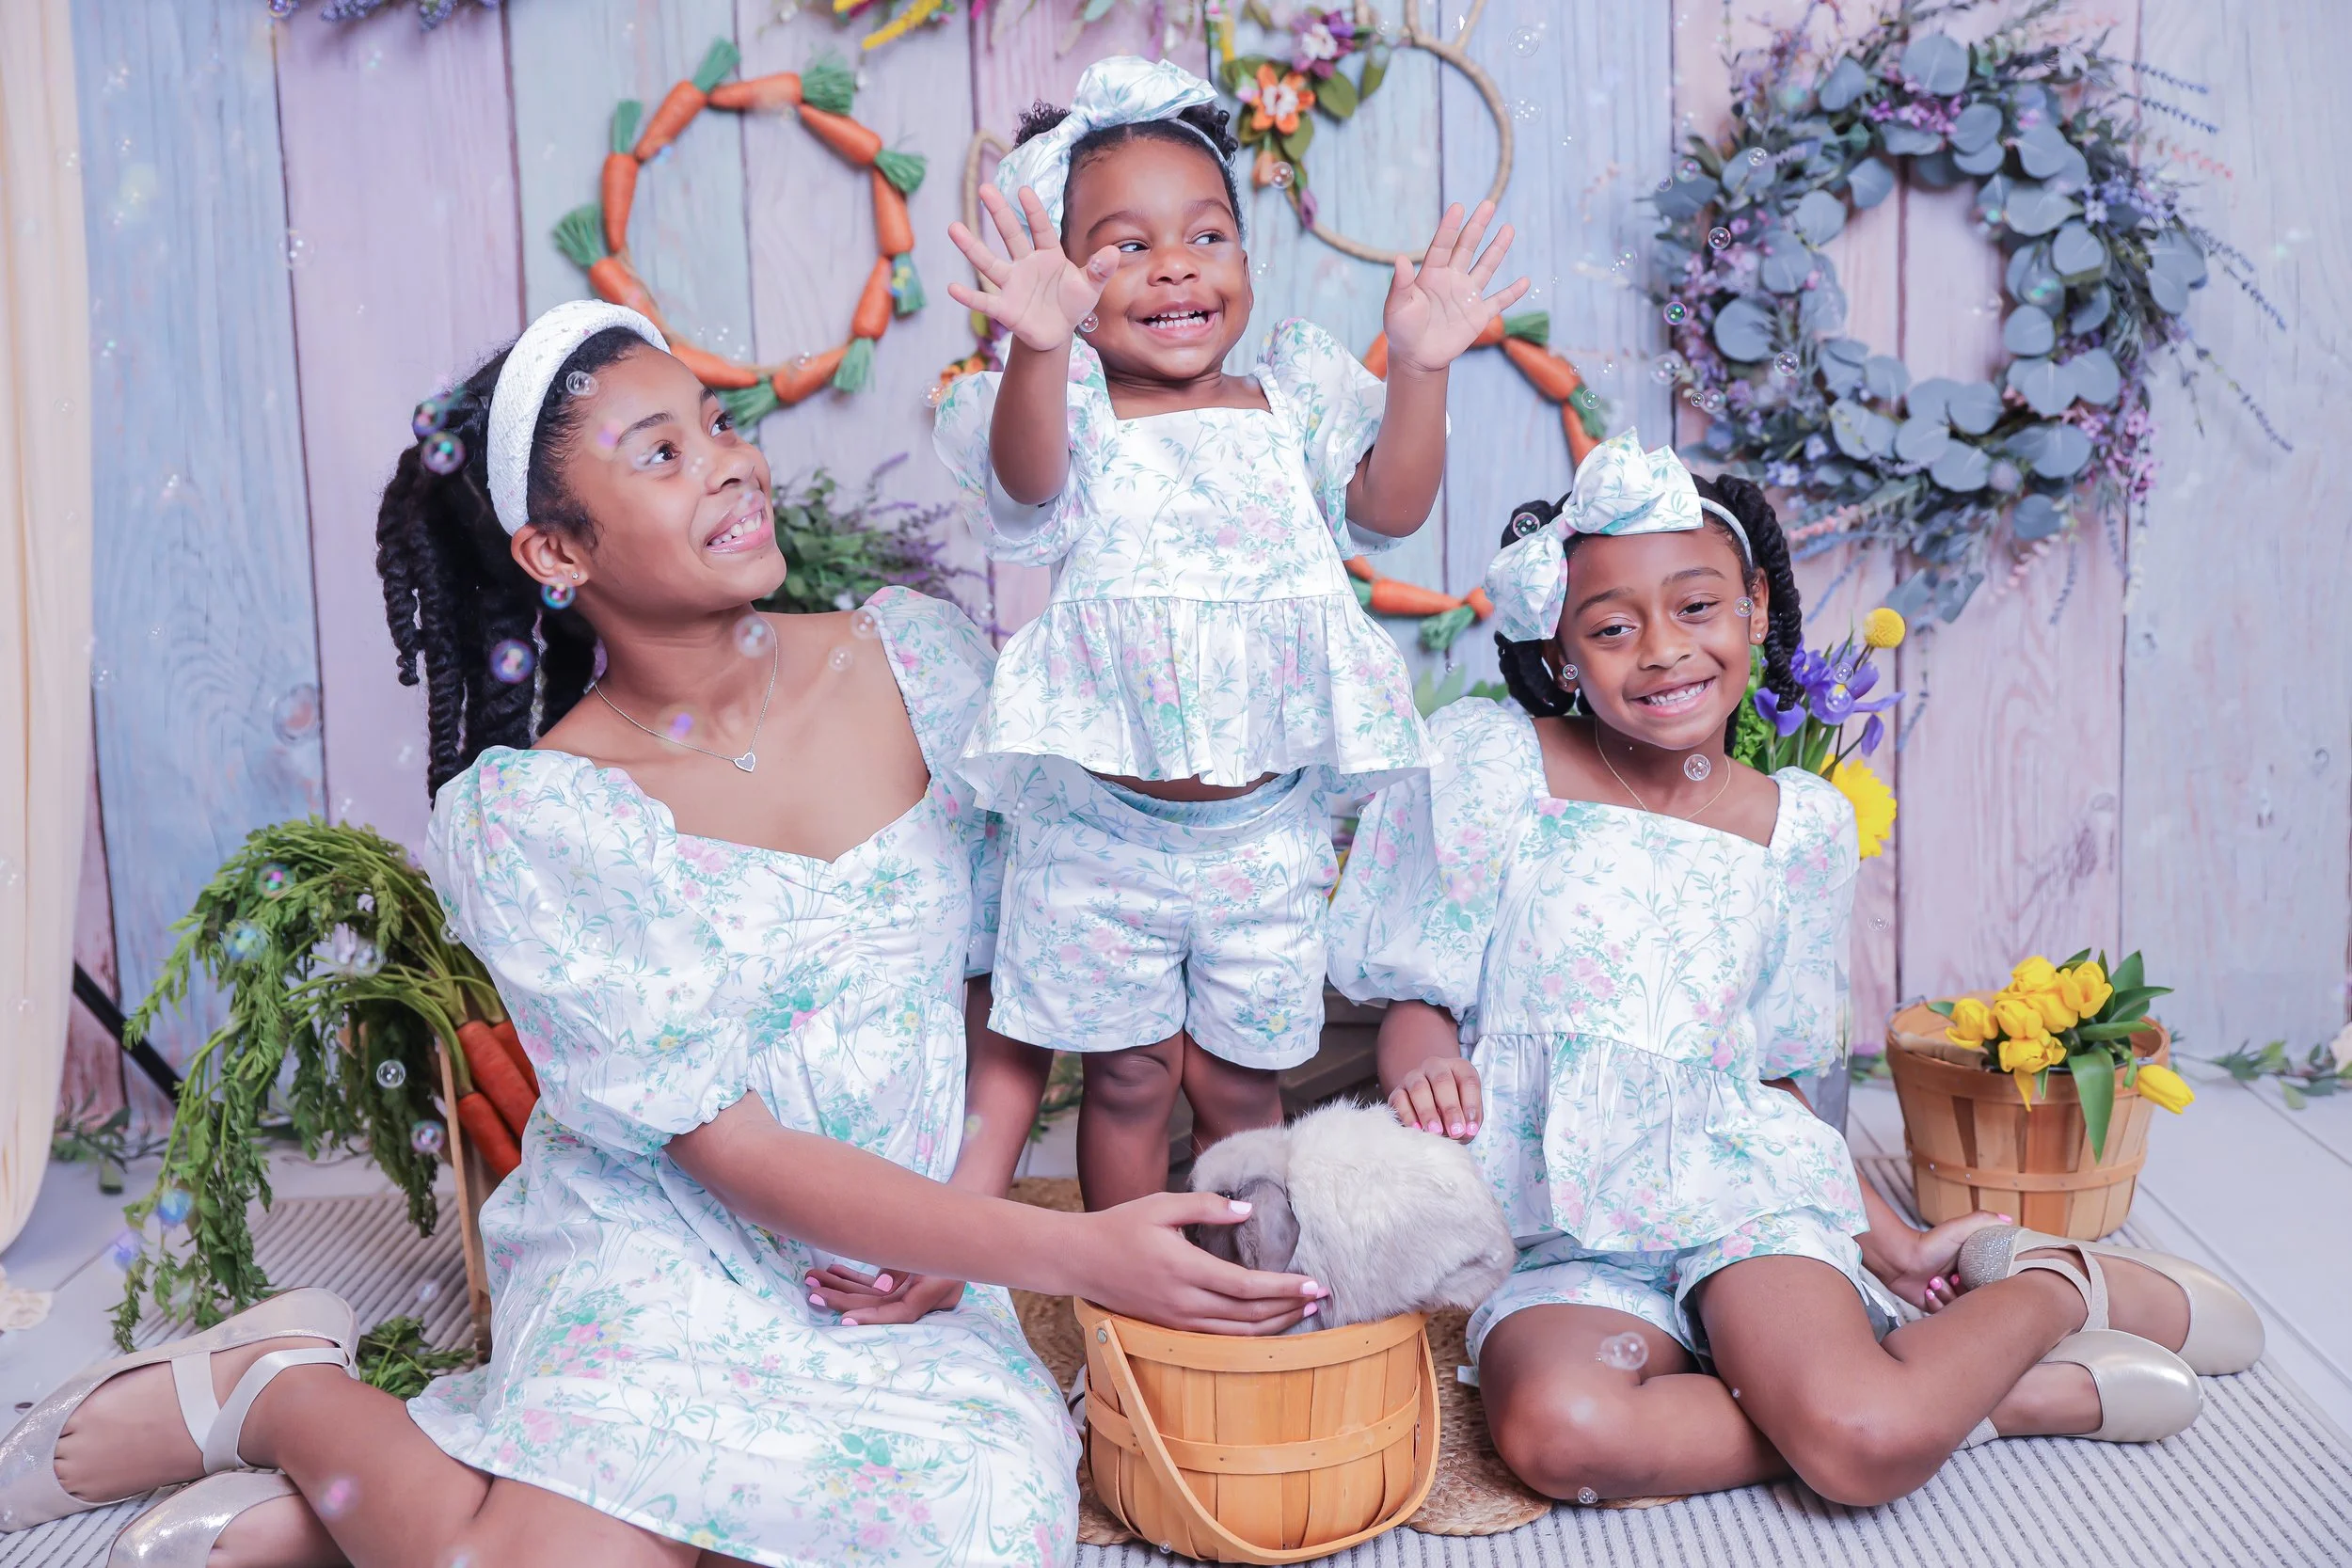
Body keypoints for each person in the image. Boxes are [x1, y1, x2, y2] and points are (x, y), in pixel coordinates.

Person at [0, 301, 1327, 1568]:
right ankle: (281, 1387)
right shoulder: (542, 818)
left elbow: (1010, 973)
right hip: (665, 1244)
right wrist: (1078, 1249)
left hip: (907, 1256)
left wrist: (964, 1218)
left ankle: (409, 1510)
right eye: (664, 452)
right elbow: (732, 1149)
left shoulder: (917, 660)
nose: (732, 463)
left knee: (976, 1522)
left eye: (717, 421)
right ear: (556, 552)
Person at [1326, 433, 2260, 1507]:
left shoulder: (1800, 831)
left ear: (1754, 610)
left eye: (1695, 607)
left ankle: (2051, 1282)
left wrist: (1896, 1247)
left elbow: (1771, 1081)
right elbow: (1417, 996)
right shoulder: (1495, 765)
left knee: (1860, 1443)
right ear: (1563, 654)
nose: (1663, 649)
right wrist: (1426, 1061)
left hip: (1740, 1197)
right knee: (1559, 1431)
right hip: (1557, 1222)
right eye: (1613, 627)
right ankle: (2001, 1397)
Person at [932, 55, 1526, 1210]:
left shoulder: (1289, 396)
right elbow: (1022, 489)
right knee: (1129, 1078)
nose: (1173, 268)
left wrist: (1417, 368)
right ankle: (1130, 1289)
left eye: (1207, 235)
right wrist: (1040, 349)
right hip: (1104, 838)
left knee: (1247, 1088)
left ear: (1247, 259)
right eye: (1122, 246)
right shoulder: (1076, 413)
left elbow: (1389, 509)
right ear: (1060, 277)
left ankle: (1244, 1282)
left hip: (1263, 836)